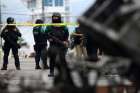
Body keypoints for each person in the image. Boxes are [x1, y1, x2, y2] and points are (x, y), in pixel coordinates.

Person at [46, 12, 69, 77]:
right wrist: (48, 38)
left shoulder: (64, 26)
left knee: (62, 59)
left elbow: (67, 34)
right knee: (52, 58)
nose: (55, 18)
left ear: (59, 18)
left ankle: (63, 72)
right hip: (53, 44)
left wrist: (65, 41)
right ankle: (51, 72)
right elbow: (46, 33)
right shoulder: (49, 26)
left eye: (56, 17)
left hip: (62, 44)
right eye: (54, 17)